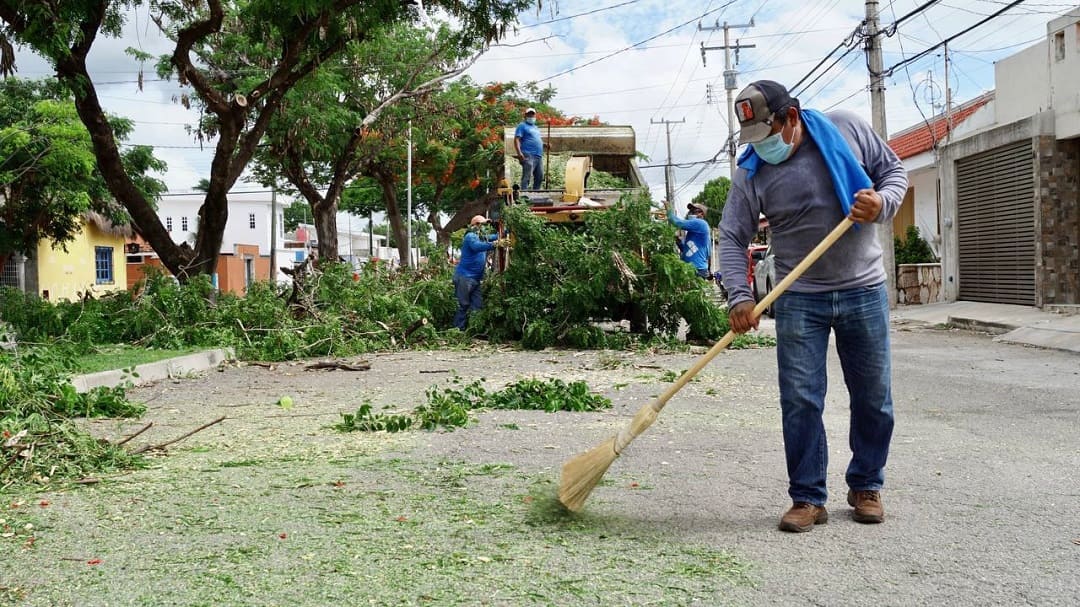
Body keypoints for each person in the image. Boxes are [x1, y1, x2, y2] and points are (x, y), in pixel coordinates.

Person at [717, 80, 908, 533]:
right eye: (753, 137)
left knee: (874, 398)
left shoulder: (846, 130)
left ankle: (866, 484)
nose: (761, 145)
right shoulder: (751, 172)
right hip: (799, 296)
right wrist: (741, 297)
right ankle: (807, 496)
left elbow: (895, 173)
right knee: (800, 400)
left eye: (767, 132)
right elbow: (731, 236)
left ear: (792, 118)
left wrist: (881, 203)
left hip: (864, 288)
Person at [453, 215, 505, 330]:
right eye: (483, 225)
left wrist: (505, 232)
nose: (485, 228)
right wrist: (495, 244)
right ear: (476, 225)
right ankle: (457, 331)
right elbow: (477, 247)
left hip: (475, 279)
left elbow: (495, 236)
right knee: (463, 305)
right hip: (465, 278)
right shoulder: (470, 236)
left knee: (477, 306)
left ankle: (475, 329)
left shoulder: (480, 236)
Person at [666, 200, 712, 280]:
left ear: (701, 214)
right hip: (697, 269)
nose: (691, 213)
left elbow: (677, 222)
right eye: (690, 211)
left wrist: (669, 210)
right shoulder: (696, 230)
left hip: (696, 270)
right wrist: (679, 243)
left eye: (694, 211)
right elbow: (690, 251)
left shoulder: (700, 223)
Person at [514, 107, 544, 191]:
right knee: (527, 175)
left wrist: (544, 145)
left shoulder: (536, 128)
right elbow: (517, 139)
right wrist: (519, 153)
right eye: (529, 114)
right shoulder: (522, 126)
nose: (531, 116)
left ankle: (535, 194)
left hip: (538, 155)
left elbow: (536, 140)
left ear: (535, 116)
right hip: (528, 154)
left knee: (540, 176)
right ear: (525, 116)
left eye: (532, 114)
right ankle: (524, 194)